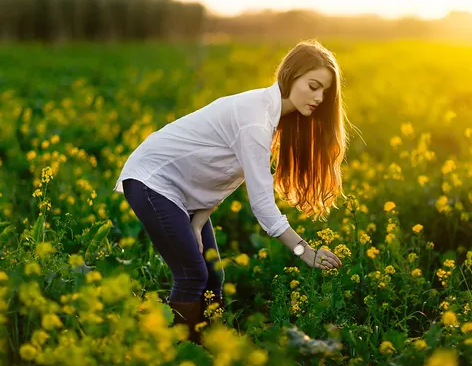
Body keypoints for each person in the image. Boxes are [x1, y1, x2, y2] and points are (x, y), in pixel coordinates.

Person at [113, 39, 348, 344]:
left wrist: (198, 221)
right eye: (313, 85)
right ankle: (179, 354)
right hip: (152, 180)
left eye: (324, 92)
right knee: (192, 275)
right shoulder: (256, 120)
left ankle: (214, 348)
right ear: (291, 76)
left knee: (213, 277)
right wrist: (306, 252)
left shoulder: (272, 117)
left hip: (181, 191)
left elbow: (224, 174)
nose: (318, 97)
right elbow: (263, 204)